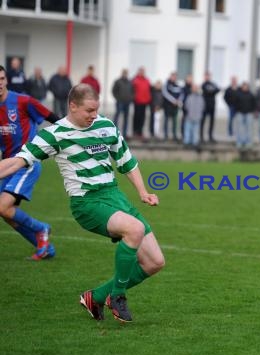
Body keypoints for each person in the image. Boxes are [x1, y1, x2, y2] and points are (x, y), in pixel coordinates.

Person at [0, 83, 165, 322]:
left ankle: (95, 297)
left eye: (96, 110)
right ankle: (117, 297)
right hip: (87, 202)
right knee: (135, 229)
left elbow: (127, 161)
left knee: (155, 262)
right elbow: (16, 162)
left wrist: (143, 192)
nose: (93, 115)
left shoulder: (105, 126)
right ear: (73, 106)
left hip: (114, 196)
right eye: (89, 110)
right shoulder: (54, 134)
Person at [0, 64, 59, 260]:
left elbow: (53, 118)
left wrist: (69, 139)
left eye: (1, 79)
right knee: (6, 213)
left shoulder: (23, 101)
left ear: (6, 80)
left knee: (3, 207)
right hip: (6, 166)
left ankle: (41, 228)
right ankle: (44, 247)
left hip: (27, 162)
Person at [112, 69, 134, 138]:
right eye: (124, 73)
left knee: (126, 118)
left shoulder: (130, 82)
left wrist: (131, 98)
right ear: (122, 73)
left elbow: (133, 91)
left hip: (127, 102)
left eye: (126, 73)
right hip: (120, 102)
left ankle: (125, 133)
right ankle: (114, 132)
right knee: (117, 116)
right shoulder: (118, 81)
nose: (125, 74)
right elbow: (113, 91)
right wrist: (118, 98)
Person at [131, 67, 152, 141]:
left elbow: (149, 89)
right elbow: (132, 89)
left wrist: (149, 99)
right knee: (137, 117)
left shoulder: (147, 80)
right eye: (141, 71)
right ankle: (135, 131)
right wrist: (133, 98)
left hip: (145, 102)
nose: (142, 73)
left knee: (142, 118)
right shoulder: (135, 80)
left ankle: (140, 132)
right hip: (137, 101)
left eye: (143, 71)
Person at [200, 72, 220, 144]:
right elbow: (206, 91)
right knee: (203, 121)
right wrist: (212, 91)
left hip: (212, 106)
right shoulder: (203, 84)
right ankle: (201, 137)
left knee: (212, 122)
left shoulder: (213, 84)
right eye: (206, 76)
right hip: (205, 106)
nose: (207, 77)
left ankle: (210, 136)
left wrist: (211, 91)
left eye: (208, 76)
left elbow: (218, 89)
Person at [162, 72, 183, 141]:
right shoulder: (166, 84)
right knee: (166, 121)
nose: (174, 78)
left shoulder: (178, 86)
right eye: (173, 76)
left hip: (175, 107)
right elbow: (165, 93)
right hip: (167, 106)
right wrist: (173, 100)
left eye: (175, 77)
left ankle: (174, 135)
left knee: (175, 121)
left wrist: (178, 101)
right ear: (170, 76)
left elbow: (181, 94)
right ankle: (165, 135)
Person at [183, 84, 205, 148]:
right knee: (187, 130)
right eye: (194, 88)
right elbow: (186, 106)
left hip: (197, 117)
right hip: (189, 117)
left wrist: (199, 115)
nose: (195, 89)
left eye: (196, 88)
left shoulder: (201, 98)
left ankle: (195, 143)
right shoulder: (189, 97)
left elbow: (202, 107)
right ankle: (187, 142)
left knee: (195, 131)